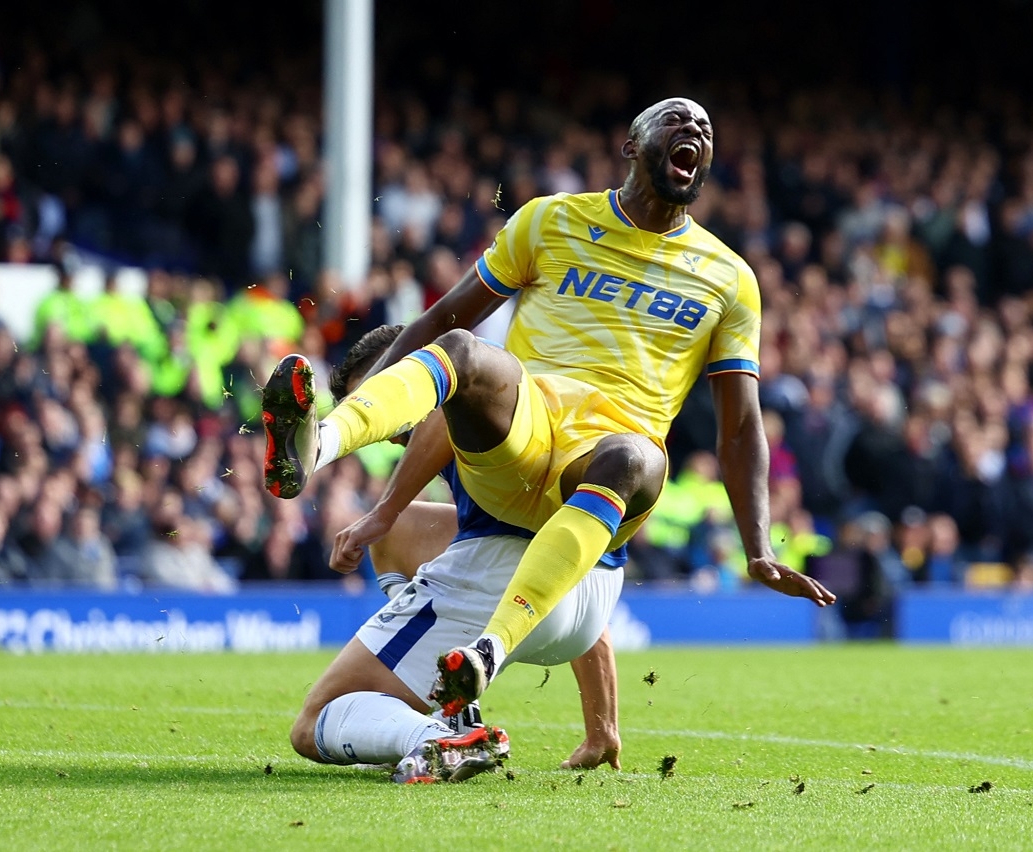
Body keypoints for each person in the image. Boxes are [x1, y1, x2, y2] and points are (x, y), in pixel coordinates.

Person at [262, 97, 836, 716]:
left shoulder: (729, 278)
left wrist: (758, 547)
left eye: (705, 126)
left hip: (600, 466)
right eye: (674, 118)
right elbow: (439, 319)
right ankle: (313, 446)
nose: (694, 128)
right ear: (630, 145)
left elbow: (743, 422)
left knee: (633, 456)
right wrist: (366, 432)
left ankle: (480, 656)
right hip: (525, 440)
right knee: (464, 350)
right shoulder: (549, 221)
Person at [288, 326, 624, 783]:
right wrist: (602, 727)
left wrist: (384, 510)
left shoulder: (466, 400)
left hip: (504, 572)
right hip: (588, 594)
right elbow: (566, 554)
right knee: (398, 530)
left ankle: (435, 738)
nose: (382, 428)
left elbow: (443, 410)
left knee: (315, 723)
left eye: (377, 397)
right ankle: (452, 705)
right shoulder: (523, 405)